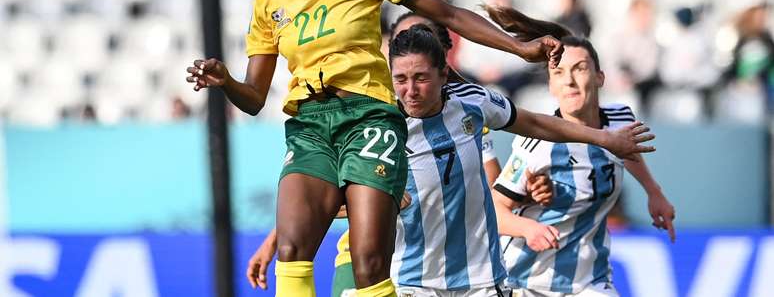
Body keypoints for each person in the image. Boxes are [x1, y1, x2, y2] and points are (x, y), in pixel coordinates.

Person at [188, 0, 567, 297]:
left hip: (369, 118)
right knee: (291, 249)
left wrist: (519, 47)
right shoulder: (267, 4)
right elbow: (255, 98)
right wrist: (226, 81)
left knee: (368, 263)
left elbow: (450, 14)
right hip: (310, 126)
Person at [245, 18, 655, 296]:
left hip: (481, 281)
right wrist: (377, 198)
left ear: (444, 72)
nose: (410, 90)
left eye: (421, 77)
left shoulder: (474, 106)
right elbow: (325, 199)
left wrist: (603, 139)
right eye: (401, 79)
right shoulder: (376, 129)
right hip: (412, 282)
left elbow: (536, 124)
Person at [483, 6, 676, 296]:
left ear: (600, 77)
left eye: (580, 68)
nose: (569, 81)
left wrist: (653, 192)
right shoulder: (537, 143)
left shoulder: (620, 118)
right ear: (550, 85)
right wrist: (528, 229)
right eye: (559, 72)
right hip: (529, 283)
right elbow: (492, 212)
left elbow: (627, 152)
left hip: (590, 281)